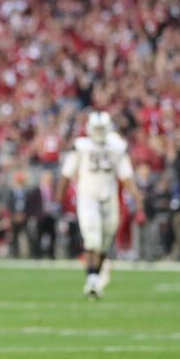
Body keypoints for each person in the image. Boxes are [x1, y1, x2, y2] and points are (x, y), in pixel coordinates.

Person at [56, 111, 145, 298]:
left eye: (101, 129)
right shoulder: (81, 146)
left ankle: (96, 274)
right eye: (95, 128)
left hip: (109, 196)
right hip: (88, 196)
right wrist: (59, 198)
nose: (98, 132)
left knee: (104, 242)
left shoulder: (117, 146)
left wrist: (136, 195)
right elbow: (66, 174)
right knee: (92, 238)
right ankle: (92, 279)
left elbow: (126, 175)